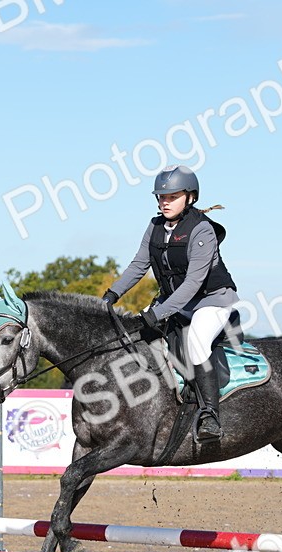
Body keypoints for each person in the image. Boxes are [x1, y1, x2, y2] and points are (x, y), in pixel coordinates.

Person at [103, 165, 239, 441]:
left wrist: (158, 312)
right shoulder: (154, 227)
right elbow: (139, 265)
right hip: (175, 302)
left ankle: (210, 415)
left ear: (190, 197)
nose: (165, 202)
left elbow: (192, 284)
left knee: (197, 341)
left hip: (212, 300)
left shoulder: (202, 230)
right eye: (161, 197)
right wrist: (112, 294)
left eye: (172, 196)